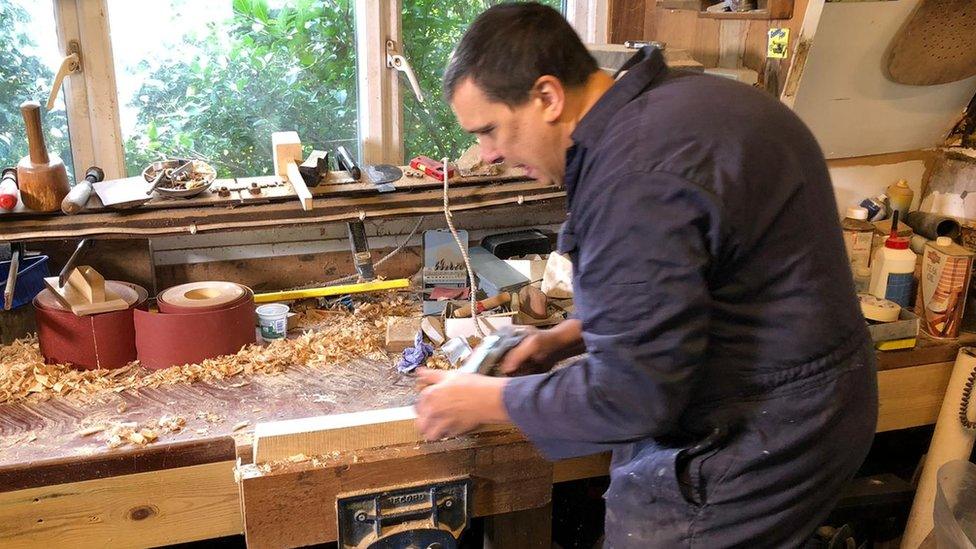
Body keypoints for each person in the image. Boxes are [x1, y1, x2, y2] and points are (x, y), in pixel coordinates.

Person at [414, 3, 878, 546]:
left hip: (759, 433)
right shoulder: (686, 101)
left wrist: (487, 400)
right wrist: (573, 334)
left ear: (547, 96)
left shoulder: (635, 177)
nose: (486, 155)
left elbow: (632, 396)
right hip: (816, 402)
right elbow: (711, 276)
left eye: (490, 130)